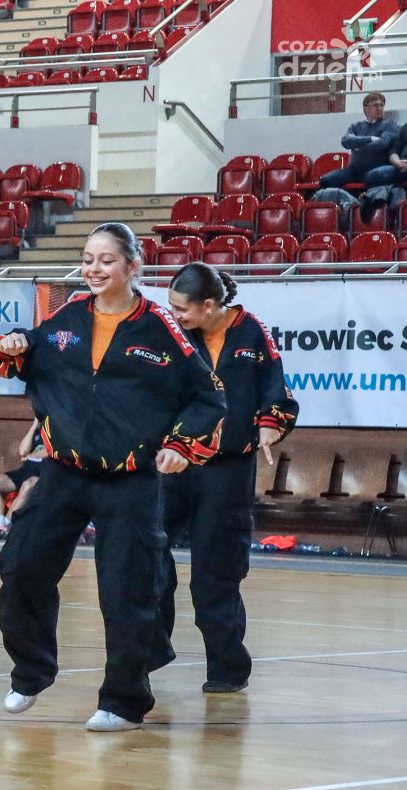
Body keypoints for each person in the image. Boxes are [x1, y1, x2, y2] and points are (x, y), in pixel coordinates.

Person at [0, 223, 226, 731]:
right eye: (88, 259)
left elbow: (207, 398)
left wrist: (180, 445)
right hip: (63, 473)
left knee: (126, 591)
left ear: (132, 266)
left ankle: (123, 701)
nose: (94, 269)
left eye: (106, 260)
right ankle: (31, 672)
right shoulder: (67, 316)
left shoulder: (162, 328)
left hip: (130, 482)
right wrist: (12, 345)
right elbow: (24, 353)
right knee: (21, 567)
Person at [152, 262, 298, 694]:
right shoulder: (173, 335)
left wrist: (271, 424)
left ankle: (227, 668)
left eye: (183, 309)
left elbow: (276, 388)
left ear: (209, 305)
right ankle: (151, 649)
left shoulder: (252, 331)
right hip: (174, 463)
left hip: (228, 471)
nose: (175, 315)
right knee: (147, 552)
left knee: (215, 573)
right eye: (172, 307)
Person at [318, 92, 398, 189]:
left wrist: (357, 146)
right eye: (376, 105)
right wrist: (371, 139)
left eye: (382, 105)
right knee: (326, 180)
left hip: (374, 170)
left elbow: (382, 143)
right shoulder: (356, 126)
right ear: (366, 108)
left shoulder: (389, 125)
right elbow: (345, 141)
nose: (380, 108)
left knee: (373, 177)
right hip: (353, 172)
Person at [0, 418, 45, 539]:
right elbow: (22, 451)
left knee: (27, 486)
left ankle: (6, 526)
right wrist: (34, 425)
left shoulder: (58, 433)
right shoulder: (37, 432)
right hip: (25, 471)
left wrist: (31, 455)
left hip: (42, 473)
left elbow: (51, 451)